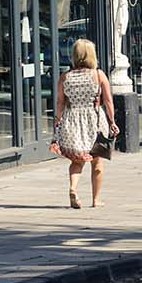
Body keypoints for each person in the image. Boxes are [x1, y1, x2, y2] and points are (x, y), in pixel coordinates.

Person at [53, 38, 116, 209]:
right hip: (94, 120)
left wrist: (58, 119)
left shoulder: (65, 77)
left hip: (72, 120)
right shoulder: (98, 75)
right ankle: (96, 200)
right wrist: (112, 121)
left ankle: (73, 188)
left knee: (77, 160)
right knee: (97, 161)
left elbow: (60, 101)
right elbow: (108, 101)